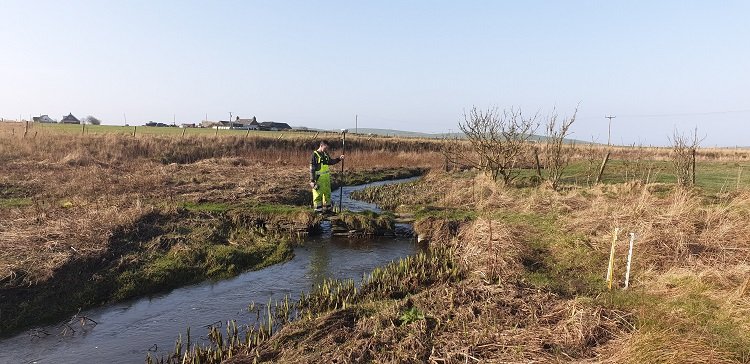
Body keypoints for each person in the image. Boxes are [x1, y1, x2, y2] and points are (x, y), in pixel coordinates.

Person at [309, 140, 344, 212]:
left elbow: (330, 162)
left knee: (327, 194)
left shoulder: (325, 154)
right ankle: (318, 211)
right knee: (318, 195)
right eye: (325, 148)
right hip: (318, 179)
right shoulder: (314, 155)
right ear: (321, 145)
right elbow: (312, 169)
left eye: (327, 148)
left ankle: (328, 210)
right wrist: (312, 181)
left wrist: (339, 159)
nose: (326, 149)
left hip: (326, 179)